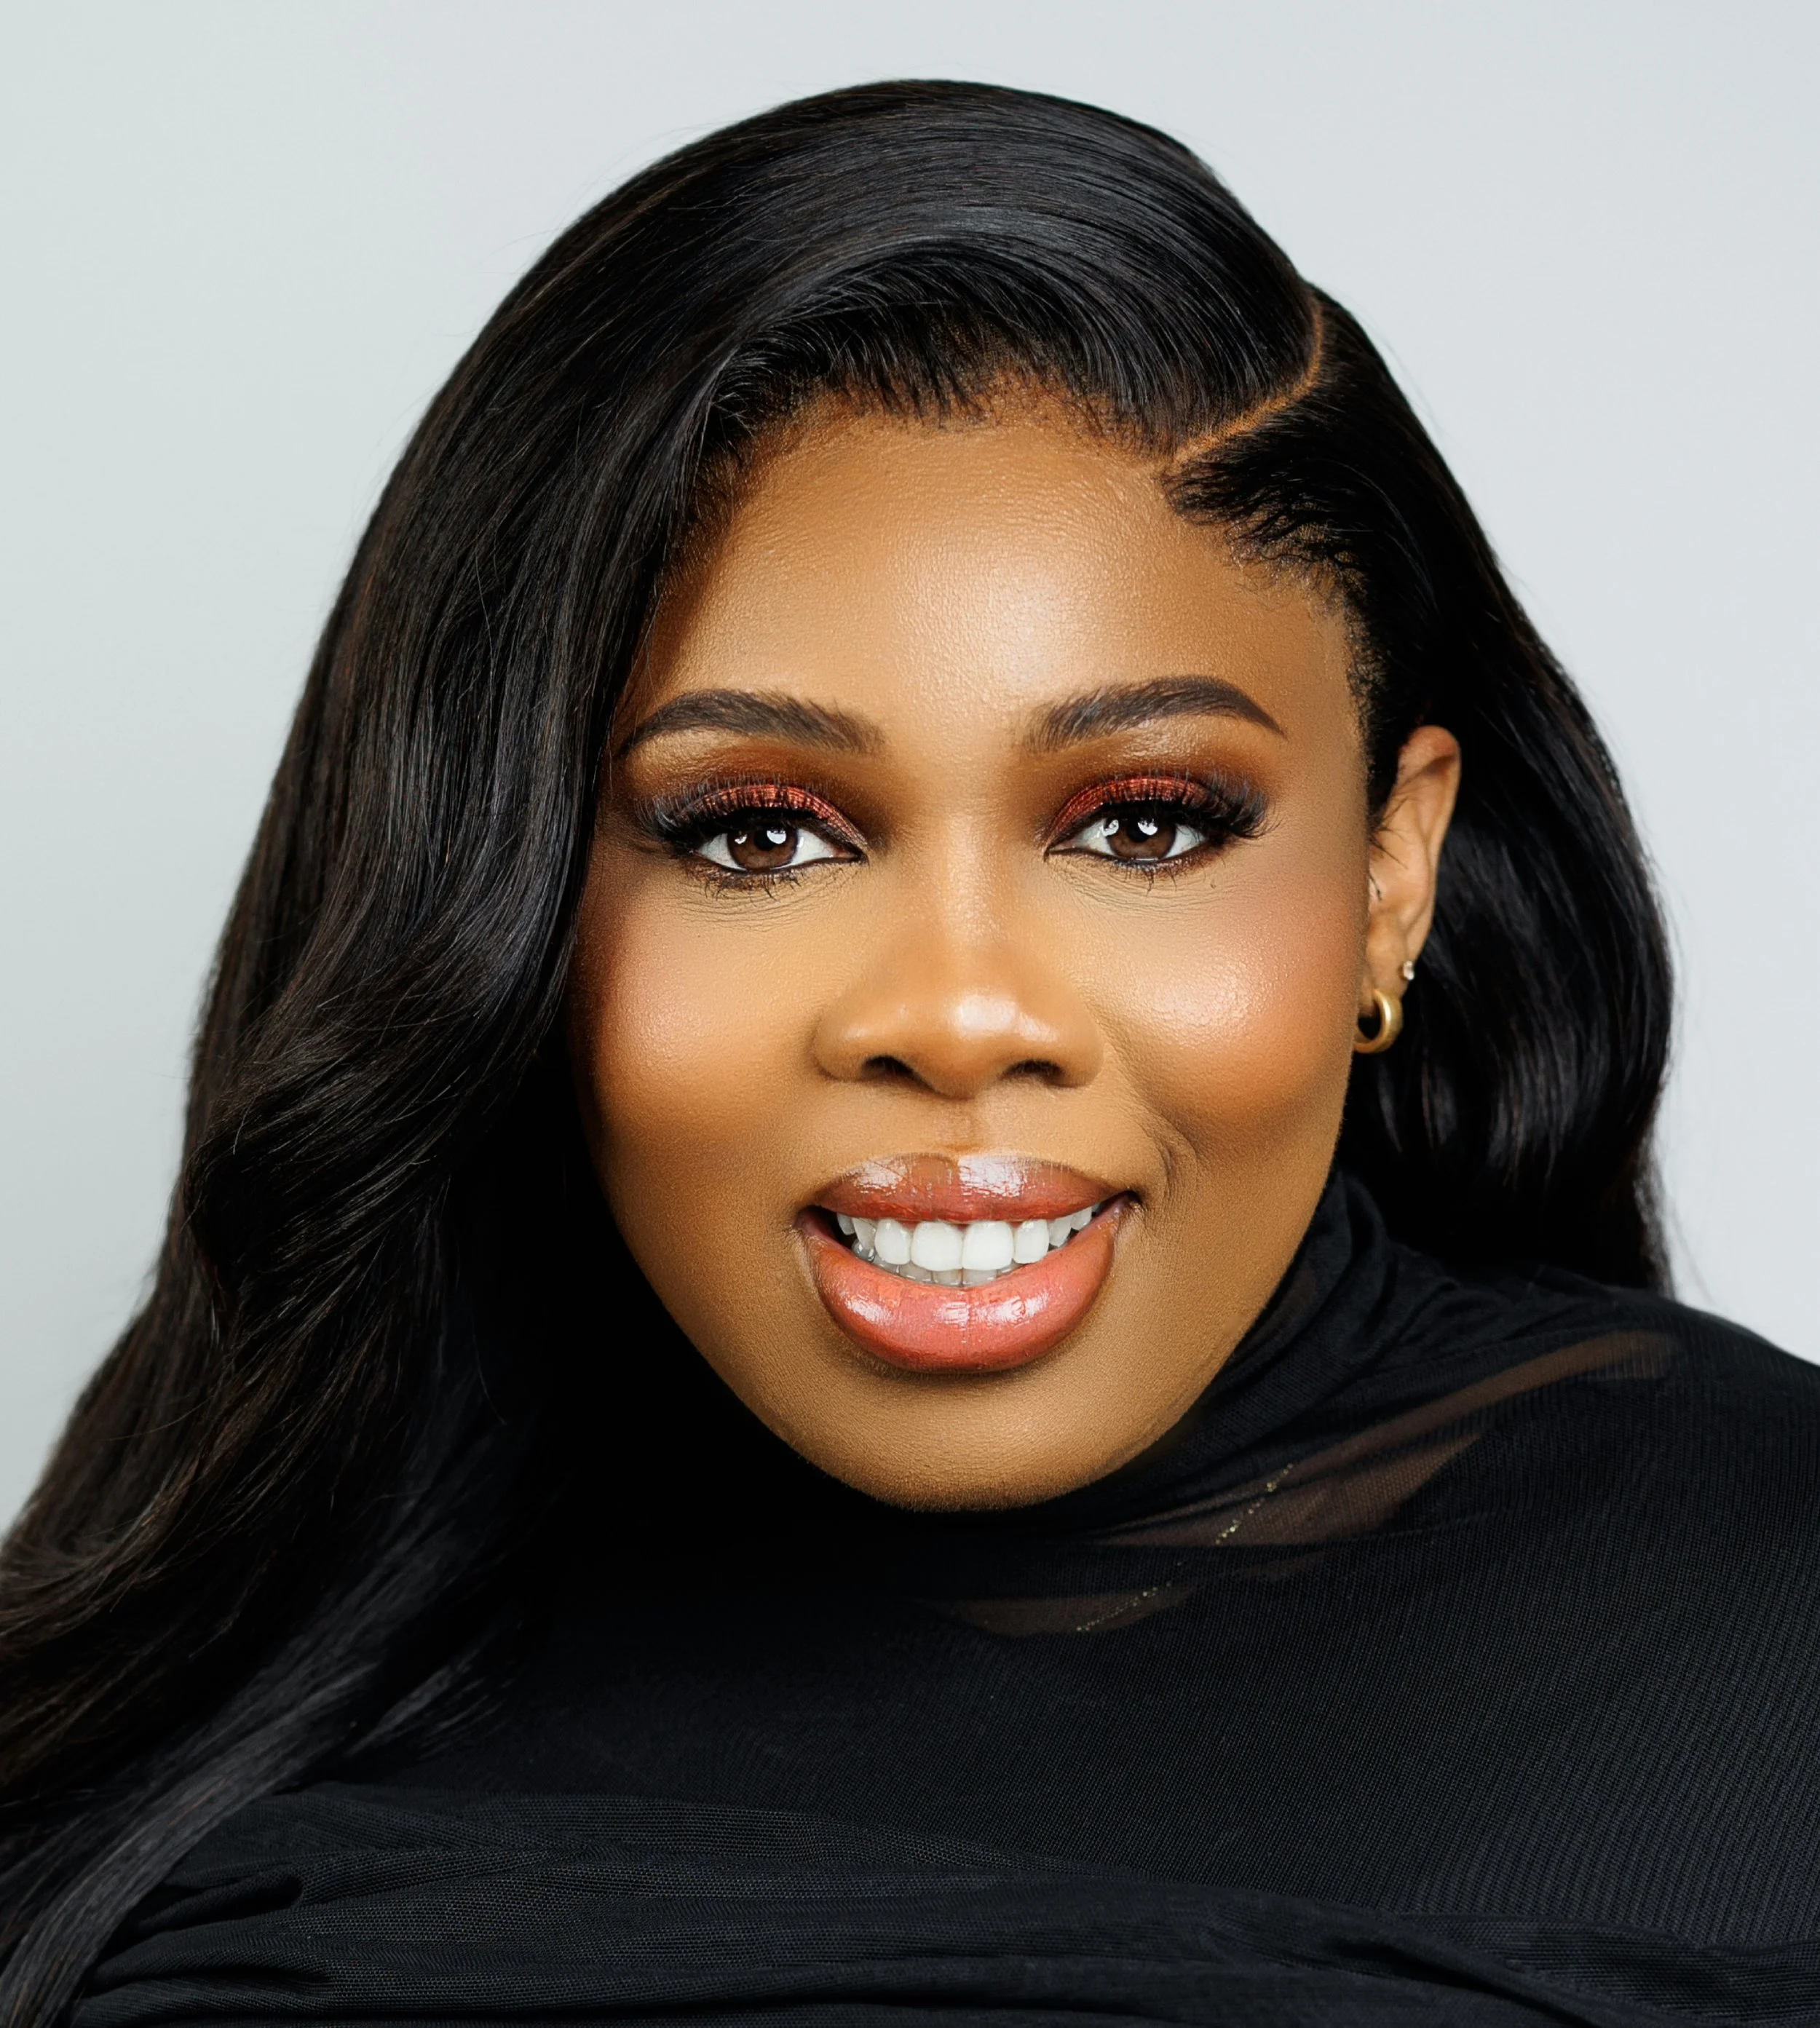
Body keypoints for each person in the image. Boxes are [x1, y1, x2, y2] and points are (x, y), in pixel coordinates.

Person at [4, 79, 1816, 2026]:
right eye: (755, 834)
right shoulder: (229, 1685)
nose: (957, 1016)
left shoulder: (1770, 1627)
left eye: (1143, 822)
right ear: (505, 892)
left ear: (1392, 875)